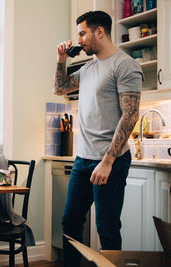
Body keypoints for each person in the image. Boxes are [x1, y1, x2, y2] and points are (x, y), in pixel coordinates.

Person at [53, 11, 142, 267]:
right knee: (70, 221)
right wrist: (60, 58)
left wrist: (108, 160)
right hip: (83, 159)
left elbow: (130, 115)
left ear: (99, 31)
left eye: (82, 33)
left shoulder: (125, 65)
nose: (79, 39)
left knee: (107, 227)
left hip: (110, 161)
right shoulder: (89, 67)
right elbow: (59, 88)